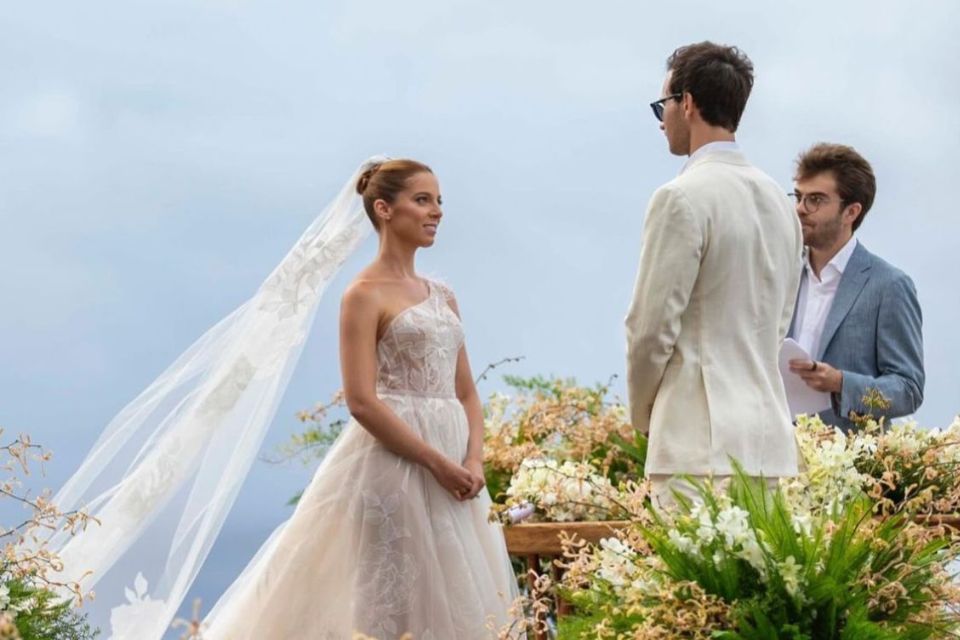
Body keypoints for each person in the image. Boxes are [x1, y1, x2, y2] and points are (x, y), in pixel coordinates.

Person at [47, 159, 517, 639]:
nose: (436, 211)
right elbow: (361, 401)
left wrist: (473, 458)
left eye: (439, 201)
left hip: (458, 467)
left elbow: (465, 391)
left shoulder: (443, 295)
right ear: (384, 208)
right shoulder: (362, 295)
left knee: (464, 602)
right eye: (422, 200)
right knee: (394, 600)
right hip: (397, 464)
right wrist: (435, 462)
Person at [625, 42, 804, 509]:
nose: (661, 119)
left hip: (694, 444)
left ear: (686, 103)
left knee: (686, 585)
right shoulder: (781, 204)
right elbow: (778, 324)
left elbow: (649, 329)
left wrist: (646, 415)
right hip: (767, 441)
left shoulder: (680, 197)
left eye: (662, 105)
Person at [787, 143, 924, 430]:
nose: (800, 209)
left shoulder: (889, 286)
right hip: (772, 461)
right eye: (798, 197)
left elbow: (907, 391)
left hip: (849, 468)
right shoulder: (780, 274)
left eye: (816, 200)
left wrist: (841, 383)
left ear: (851, 211)